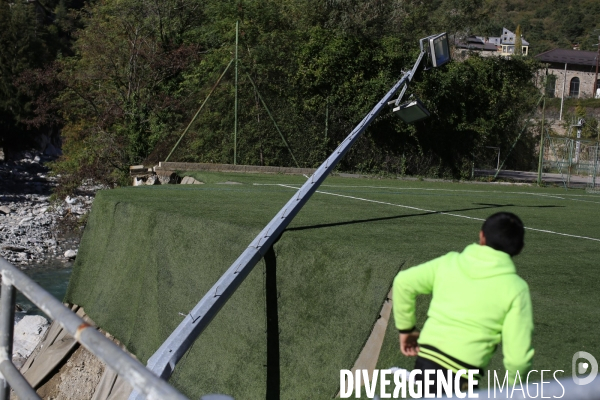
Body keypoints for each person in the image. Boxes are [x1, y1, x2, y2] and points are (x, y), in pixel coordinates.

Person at [392, 212, 534, 394]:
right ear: (520, 248)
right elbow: (518, 360)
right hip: (461, 377)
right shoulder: (516, 289)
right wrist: (513, 390)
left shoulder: (450, 262)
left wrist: (406, 330)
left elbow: (403, 282)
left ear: (481, 236)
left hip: (425, 362)